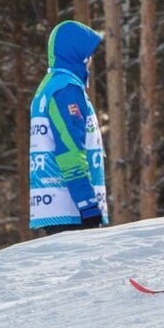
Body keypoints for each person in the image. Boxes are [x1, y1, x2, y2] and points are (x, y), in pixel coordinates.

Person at [29, 20, 108, 235]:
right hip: (71, 208)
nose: (91, 60)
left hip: (58, 206)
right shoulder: (66, 89)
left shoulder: (51, 85)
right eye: (88, 54)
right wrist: (87, 203)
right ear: (78, 55)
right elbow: (70, 149)